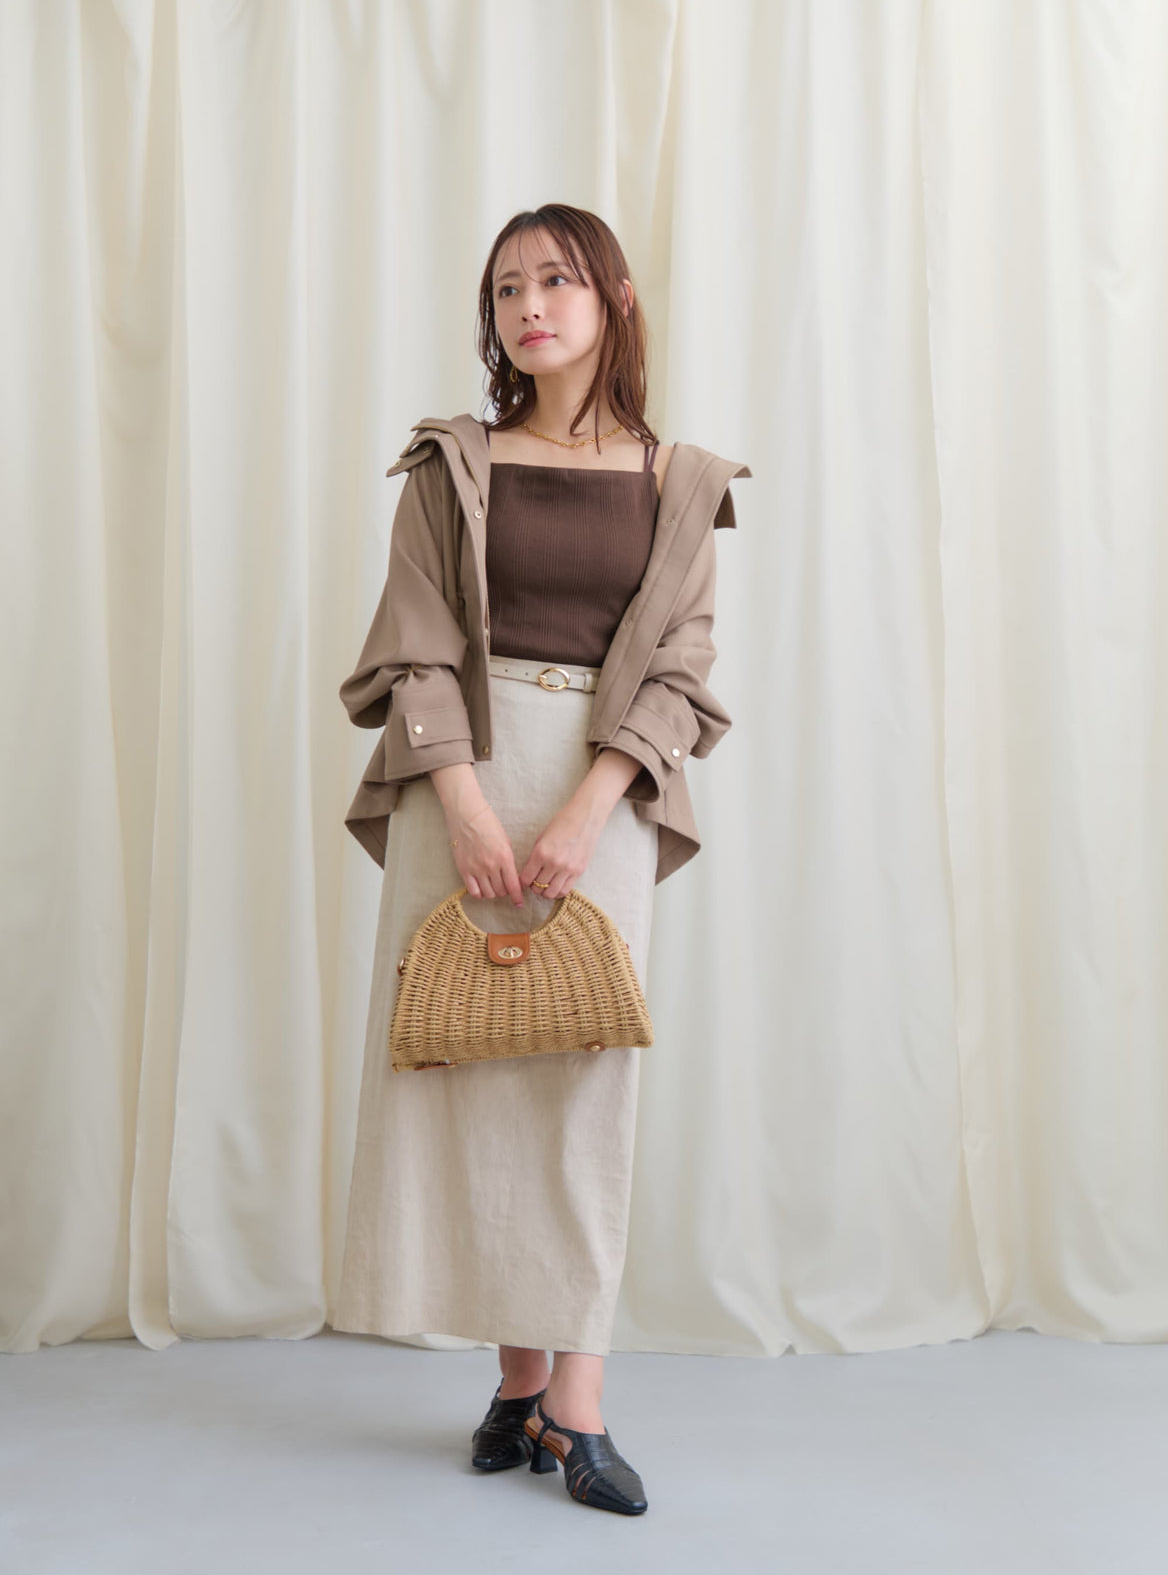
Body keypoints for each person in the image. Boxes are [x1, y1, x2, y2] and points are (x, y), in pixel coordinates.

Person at [331, 203, 749, 1517]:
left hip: (600, 786)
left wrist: (591, 804)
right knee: (468, 1068)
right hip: (458, 772)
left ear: (612, 298)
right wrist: (460, 803)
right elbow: (413, 641)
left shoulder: (680, 480)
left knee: (583, 1084)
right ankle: (518, 1386)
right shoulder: (451, 463)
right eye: (507, 287)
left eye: (556, 280)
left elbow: (680, 663)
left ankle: (580, 1400)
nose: (529, 307)